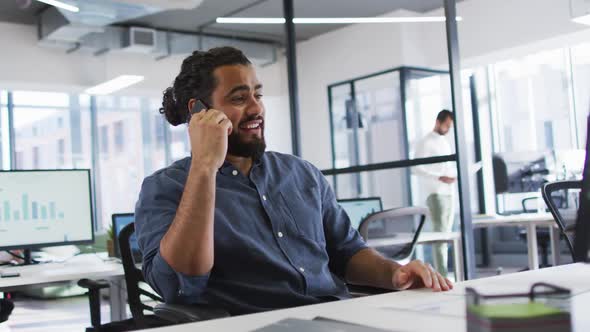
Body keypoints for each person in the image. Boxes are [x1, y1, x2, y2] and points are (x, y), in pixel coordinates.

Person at [135, 47, 453, 316]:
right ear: (199, 111)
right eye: (239, 98)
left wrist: (394, 273)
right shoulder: (165, 187)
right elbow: (176, 285)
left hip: (332, 316)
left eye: (257, 95)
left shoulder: (301, 174)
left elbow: (347, 252)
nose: (256, 108)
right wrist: (204, 167)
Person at [414, 110, 456, 277]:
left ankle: (444, 274)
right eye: (446, 125)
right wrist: (439, 177)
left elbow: (445, 166)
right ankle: (442, 275)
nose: (448, 129)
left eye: (450, 126)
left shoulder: (444, 142)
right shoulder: (426, 142)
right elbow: (417, 168)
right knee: (441, 236)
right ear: (438, 122)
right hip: (436, 192)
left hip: (449, 192)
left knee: (446, 236)